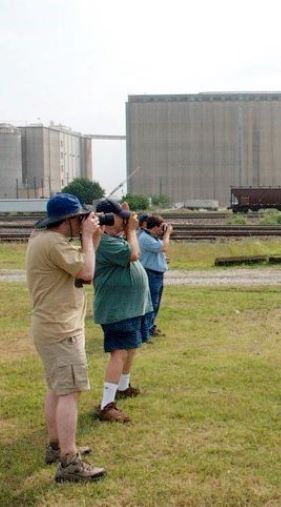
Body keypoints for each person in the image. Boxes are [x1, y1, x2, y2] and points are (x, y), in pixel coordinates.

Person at [25, 193, 106, 483]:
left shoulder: (43, 239)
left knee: (58, 389)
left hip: (51, 326)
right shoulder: (55, 244)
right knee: (70, 392)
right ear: (68, 220)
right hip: (61, 329)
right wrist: (87, 235)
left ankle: (57, 445)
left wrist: (90, 237)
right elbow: (87, 272)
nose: (84, 221)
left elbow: (85, 265)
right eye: (80, 218)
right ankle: (69, 461)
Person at [93, 199, 153, 423]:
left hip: (131, 307)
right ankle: (107, 404)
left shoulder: (114, 238)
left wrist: (127, 228)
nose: (125, 221)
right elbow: (134, 254)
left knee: (130, 348)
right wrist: (131, 231)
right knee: (119, 352)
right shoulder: (105, 242)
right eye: (120, 216)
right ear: (107, 218)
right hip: (117, 308)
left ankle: (123, 386)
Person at [138, 215, 172, 338]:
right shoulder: (145, 238)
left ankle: (150, 328)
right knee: (151, 303)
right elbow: (164, 247)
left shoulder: (152, 237)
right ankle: (145, 331)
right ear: (156, 227)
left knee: (155, 303)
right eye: (161, 226)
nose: (163, 229)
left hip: (157, 274)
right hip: (150, 274)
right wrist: (167, 234)